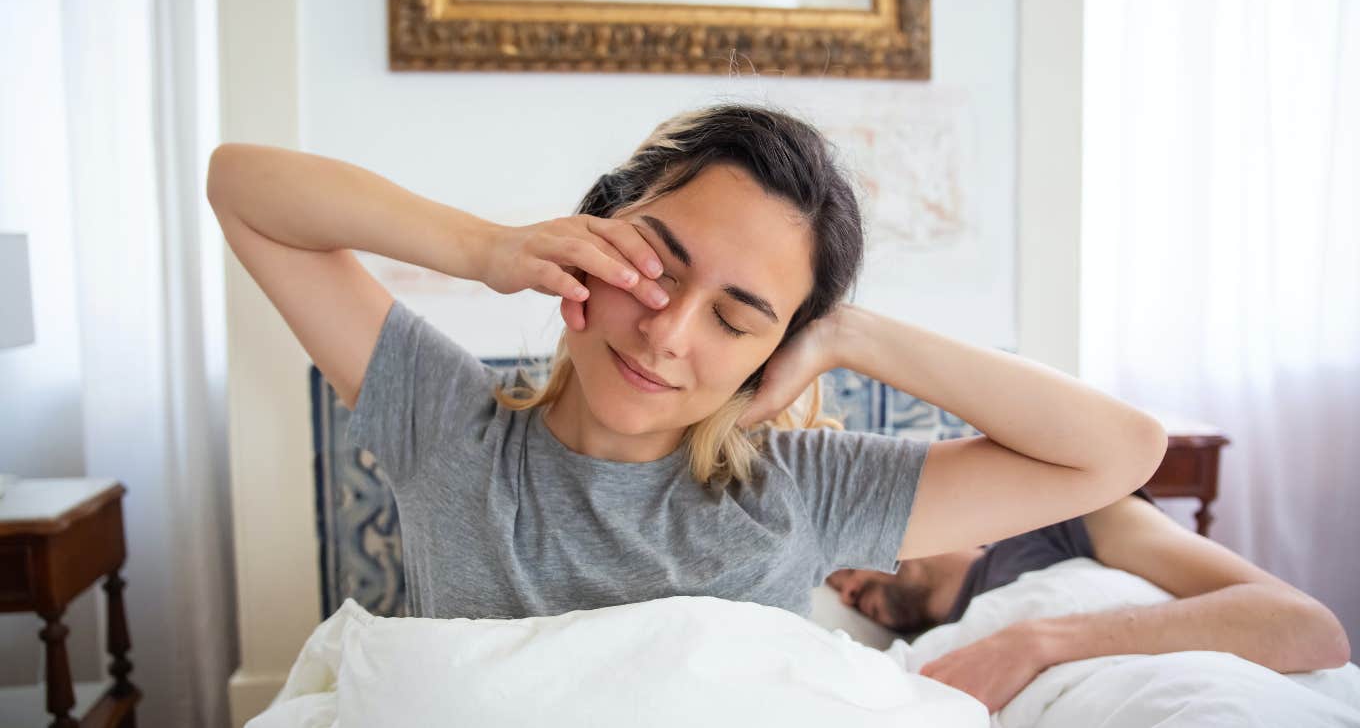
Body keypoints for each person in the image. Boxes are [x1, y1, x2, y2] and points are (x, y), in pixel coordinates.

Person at [205, 103, 1167, 623]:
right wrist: (486, 248)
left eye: (739, 317)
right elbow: (241, 183)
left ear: (775, 347)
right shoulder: (448, 426)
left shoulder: (804, 490)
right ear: (593, 228)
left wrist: (850, 335)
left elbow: (1119, 451)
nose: (667, 334)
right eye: (656, 268)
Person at [827, 491, 1352, 713]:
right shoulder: (911, 662)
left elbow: (1311, 629)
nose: (848, 592)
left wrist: (1036, 642)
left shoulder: (1063, 525)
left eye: (845, 566)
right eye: (838, 593)